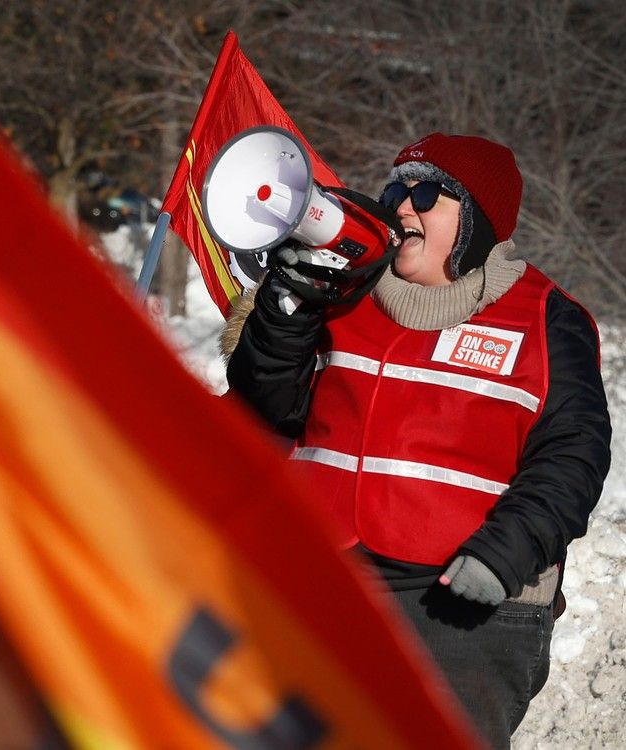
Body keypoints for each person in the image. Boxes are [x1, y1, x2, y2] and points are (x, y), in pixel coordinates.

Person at [221, 132, 612, 749]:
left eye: (428, 194)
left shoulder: (546, 319)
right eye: (396, 190)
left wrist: (504, 556)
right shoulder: (342, 291)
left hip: (463, 604)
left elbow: (572, 457)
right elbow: (264, 408)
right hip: (325, 581)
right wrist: (284, 309)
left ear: (477, 221)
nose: (403, 206)